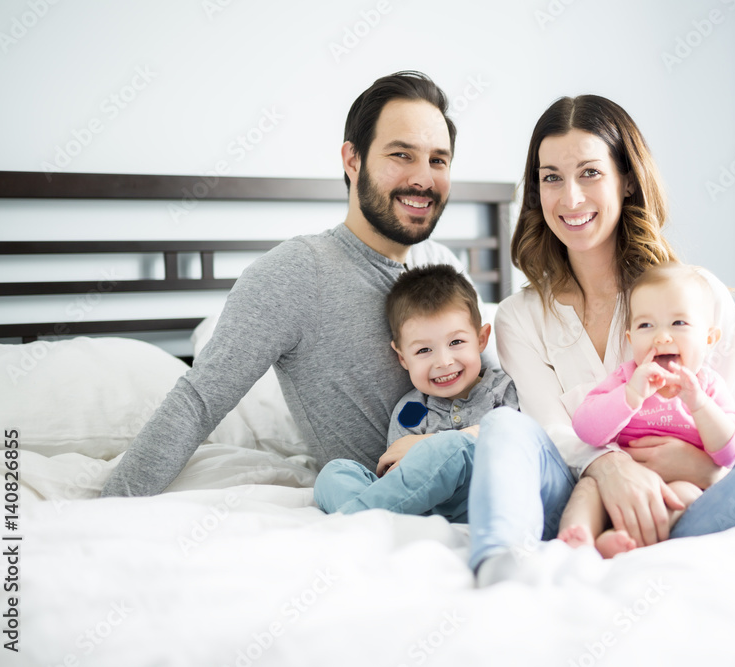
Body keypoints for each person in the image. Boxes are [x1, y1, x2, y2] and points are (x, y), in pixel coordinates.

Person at [466, 94, 735, 585]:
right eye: (552, 177)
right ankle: (500, 567)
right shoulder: (520, 317)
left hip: (687, 491)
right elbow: (554, 433)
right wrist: (612, 469)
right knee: (503, 426)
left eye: (590, 172)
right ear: (537, 192)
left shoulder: (699, 295)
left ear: (625, 180)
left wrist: (701, 470)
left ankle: (671, 533)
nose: (571, 198)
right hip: (575, 497)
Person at [101, 71, 468, 497]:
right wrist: (110, 507)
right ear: (353, 160)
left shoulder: (444, 264)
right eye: (402, 155)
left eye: (438, 160)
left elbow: (493, 392)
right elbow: (197, 404)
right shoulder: (297, 274)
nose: (423, 178)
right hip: (392, 501)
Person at [558, 263, 735, 558]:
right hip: (618, 486)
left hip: (678, 484)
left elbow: (732, 453)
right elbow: (585, 428)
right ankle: (577, 534)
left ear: (709, 339)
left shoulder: (709, 387)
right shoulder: (626, 379)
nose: (662, 337)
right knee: (588, 488)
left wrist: (699, 404)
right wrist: (631, 395)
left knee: (687, 496)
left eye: (679, 324)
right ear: (631, 339)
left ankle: (626, 538)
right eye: (646, 326)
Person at [313, 264, 517, 522]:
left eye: (456, 342)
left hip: (482, 497)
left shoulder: (505, 390)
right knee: (335, 471)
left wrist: (438, 444)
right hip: (419, 507)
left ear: (481, 339)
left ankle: (362, 520)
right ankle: (372, 519)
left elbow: (523, 448)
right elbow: (396, 475)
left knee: (455, 447)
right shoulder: (411, 409)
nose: (443, 361)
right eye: (423, 350)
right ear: (402, 357)